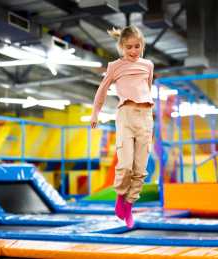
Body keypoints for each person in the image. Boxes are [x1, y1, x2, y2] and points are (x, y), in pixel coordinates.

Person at [90, 25, 154, 228]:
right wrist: (95, 113)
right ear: (121, 47)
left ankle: (128, 206)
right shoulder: (115, 66)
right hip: (125, 115)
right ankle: (120, 196)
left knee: (140, 169)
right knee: (125, 164)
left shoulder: (148, 65)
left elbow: (147, 88)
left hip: (145, 116)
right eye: (129, 47)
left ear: (142, 45)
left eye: (137, 46)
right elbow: (102, 91)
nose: (134, 51)